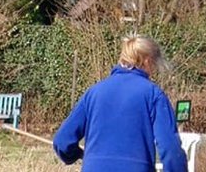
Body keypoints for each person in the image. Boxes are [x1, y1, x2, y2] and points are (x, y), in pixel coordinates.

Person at [53, 36, 187, 172]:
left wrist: (79, 156)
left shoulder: (94, 92)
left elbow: (62, 141)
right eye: (154, 65)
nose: (153, 71)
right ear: (147, 61)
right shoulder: (153, 95)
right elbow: (170, 148)